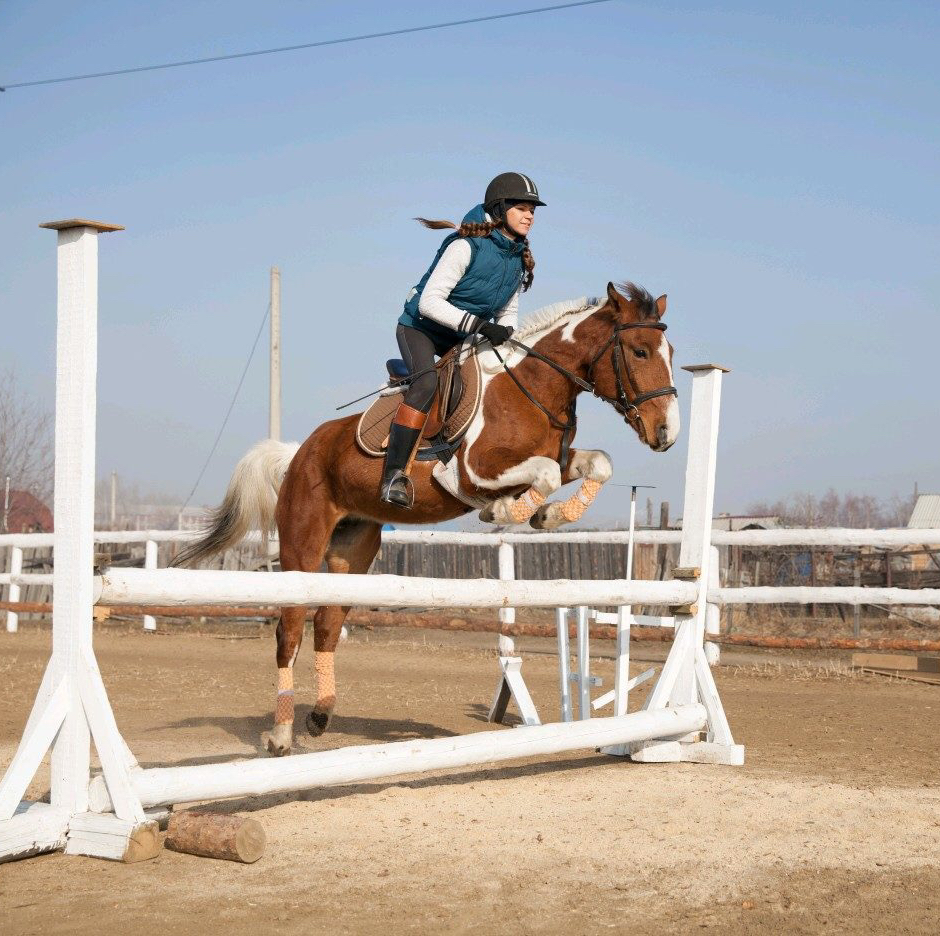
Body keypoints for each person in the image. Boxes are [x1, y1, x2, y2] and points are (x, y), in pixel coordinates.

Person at [380, 172, 546, 508]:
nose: (530, 215)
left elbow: (508, 312)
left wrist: (507, 334)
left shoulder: (518, 259)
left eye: (533, 209)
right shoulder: (464, 246)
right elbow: (429, 303)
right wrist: (481, 326)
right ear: (500, 210)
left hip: (461, 337)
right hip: (420, 329)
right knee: (426, 385)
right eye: (521, 208)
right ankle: (393, 475)